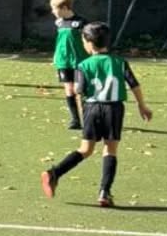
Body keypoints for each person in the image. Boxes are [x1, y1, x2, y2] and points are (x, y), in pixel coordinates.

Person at [40, 21, 151, 208]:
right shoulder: (119, 62)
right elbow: (134, 84)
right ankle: (104, 192)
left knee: (85, 149)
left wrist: (82, 114)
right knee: (110, 150)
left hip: (91, 108)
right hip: (113, 108)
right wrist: (142, 106)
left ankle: (54, 173)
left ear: (89, 43)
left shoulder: (83, 65)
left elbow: (78, 91)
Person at [49, 0, 85, 129]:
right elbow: (60, 41)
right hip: (63, 61)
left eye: (54, 9)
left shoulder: (81, 23)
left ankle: (87, 117)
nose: (52, 12)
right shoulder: (59, 23)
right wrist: (56, 56)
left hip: (79, 61)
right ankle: (75, 120)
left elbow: (87, 41)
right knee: (69, 90)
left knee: (79, 89)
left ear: (64, 8)